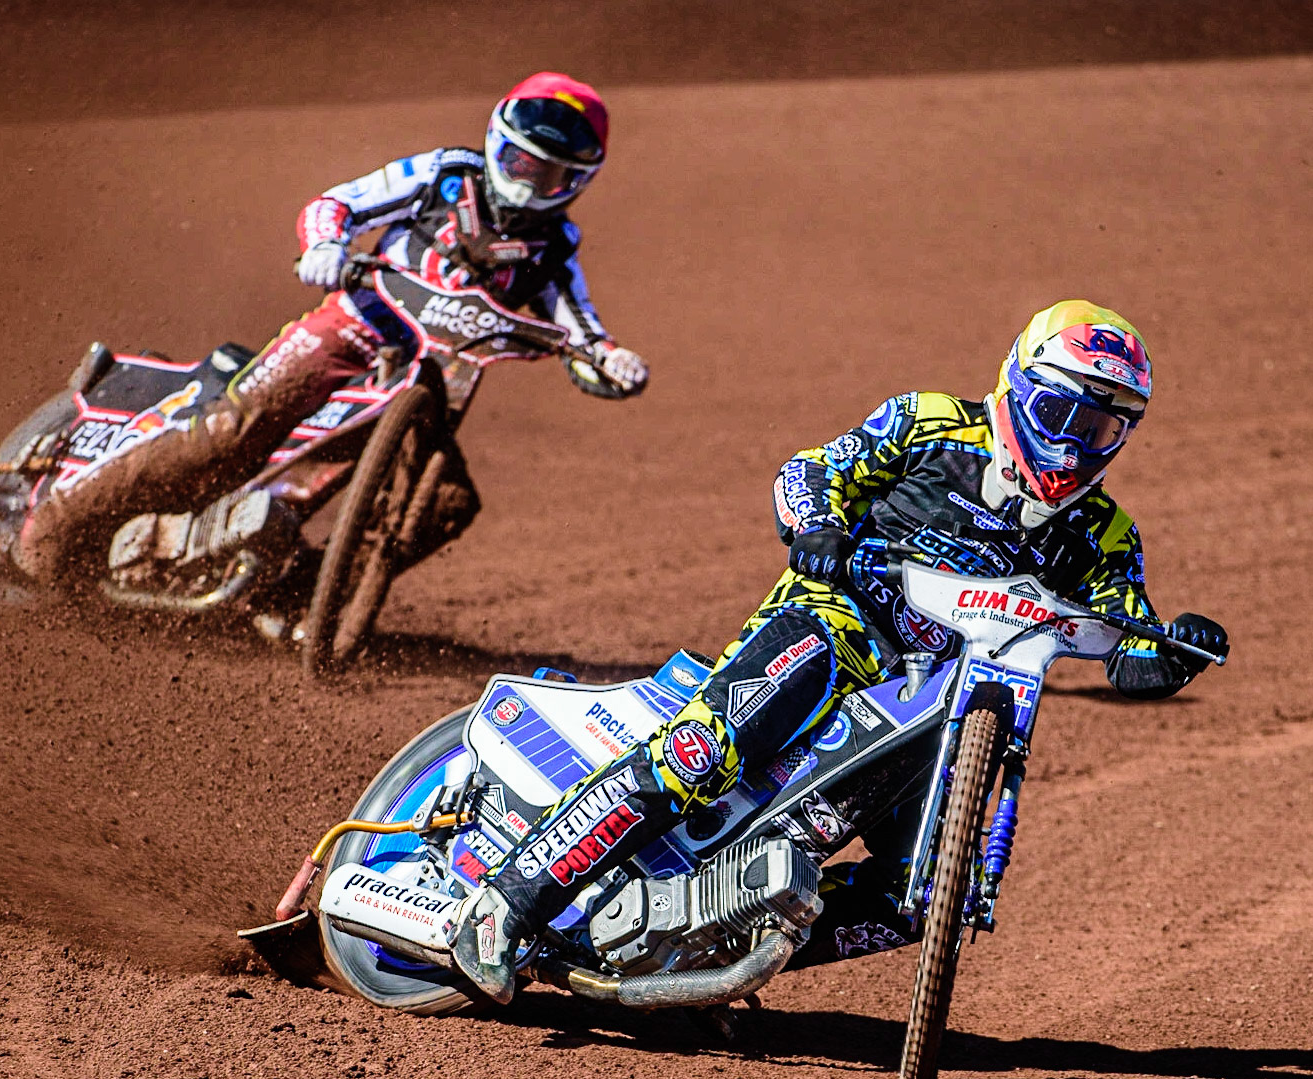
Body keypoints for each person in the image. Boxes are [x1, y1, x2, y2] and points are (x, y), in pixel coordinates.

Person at [449, 300, 1229, 1003]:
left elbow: (1129, 636)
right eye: (1059, 412)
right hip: (837, 625)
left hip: (945, 706)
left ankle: (701, 959)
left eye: (1098, 430)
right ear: (1018, 387)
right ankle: (506, 902)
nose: (1072, 443)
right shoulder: (930, 422)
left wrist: (1171, 653)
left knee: (919, 899)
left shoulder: (1105, 535)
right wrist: (816, 523)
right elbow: (811, 470)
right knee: (699, 754)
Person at [6, 71, 646, 581]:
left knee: (444, 503)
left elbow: (582, 329)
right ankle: (54, 524)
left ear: (577, 181)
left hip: (436, 379)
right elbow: (338, 203)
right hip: (354, 324)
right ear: (494, 140)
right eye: (519, 160)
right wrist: (324, 246)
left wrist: (612, 361)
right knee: (231, 432)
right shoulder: (445, 174)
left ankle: (300, 590)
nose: (527, 183)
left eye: (550, 174)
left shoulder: (556, 248)